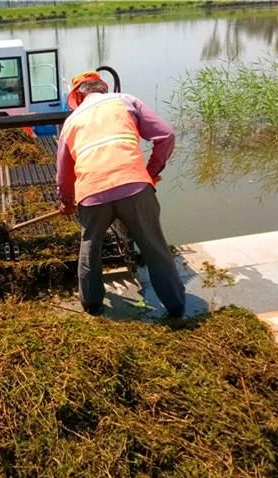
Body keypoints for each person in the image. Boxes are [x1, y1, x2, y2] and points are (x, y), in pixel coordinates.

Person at [56, 71, 186, 318]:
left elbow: (64, 173)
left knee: (90, 248)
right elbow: (166, 135)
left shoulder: (71, 123)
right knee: (154, 248)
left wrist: (66, 201)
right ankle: (176, 306)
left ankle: (92, 306)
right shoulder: (126, 101)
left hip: (91, 193)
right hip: (134, 187)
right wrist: (150, 172)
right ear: (103, 88)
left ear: (77, 96)